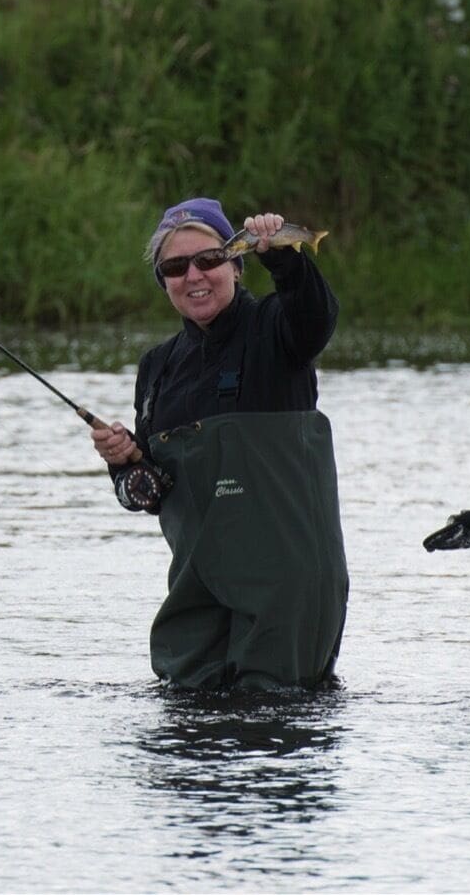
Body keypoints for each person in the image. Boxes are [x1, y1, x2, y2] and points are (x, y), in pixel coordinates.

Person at [90, 198, 346, 691]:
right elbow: (150, 493)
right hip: (196, 593)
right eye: (175, 267)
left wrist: (286, 258)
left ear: (236, 263)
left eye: (208, 260)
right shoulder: (156, 367)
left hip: (285, 591)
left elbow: (318, 316)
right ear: (163, 281)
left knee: (273, 723)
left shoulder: (278, 328)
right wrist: (123, 466)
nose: (194, 276)